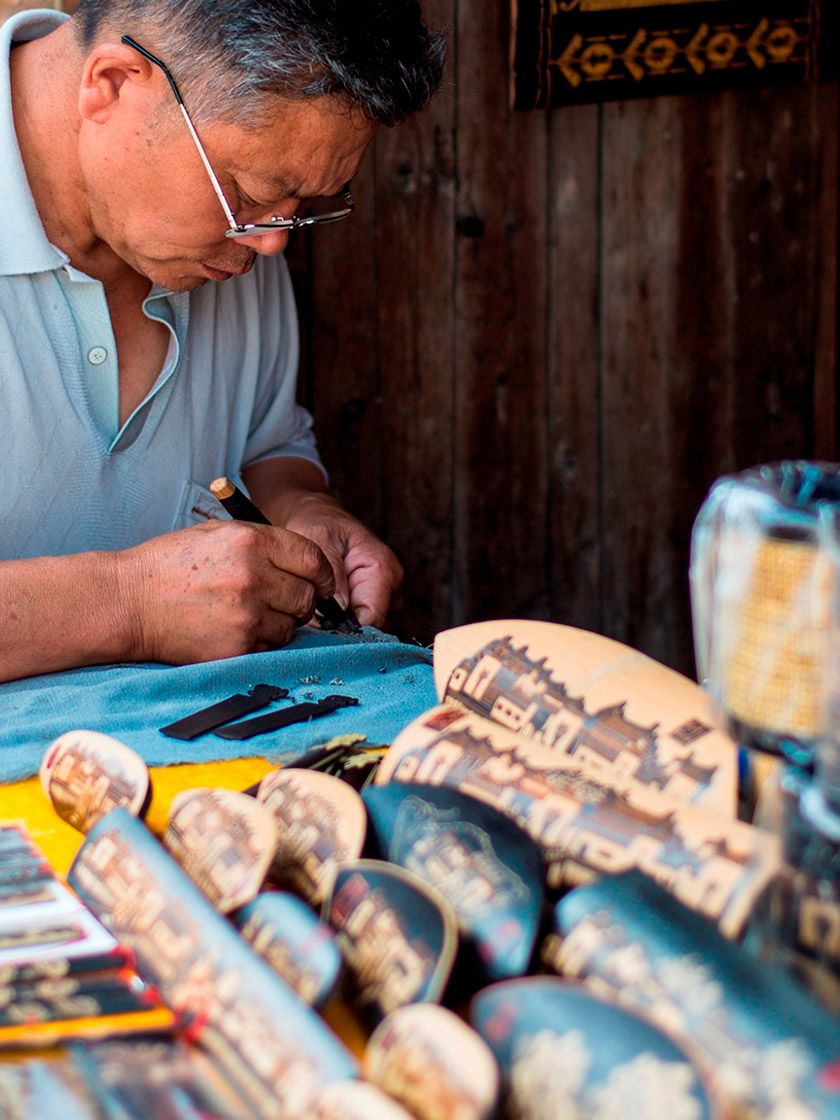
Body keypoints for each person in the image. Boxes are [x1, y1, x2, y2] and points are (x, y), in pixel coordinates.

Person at [0, 0, 443, 683]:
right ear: (113, 84)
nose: (268, 244)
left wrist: (301, 510)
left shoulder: (229, 240)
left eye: (302, 207)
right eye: (249, 192)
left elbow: (264, 447)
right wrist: (130, 603)